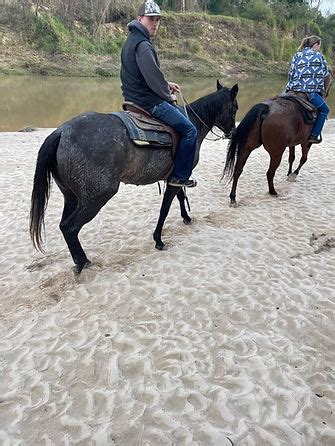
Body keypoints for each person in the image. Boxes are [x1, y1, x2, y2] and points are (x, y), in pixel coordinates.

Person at [120, 0, 197, 187]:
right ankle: (179, 176)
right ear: (140, 18)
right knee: (190, 130)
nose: (155, 23)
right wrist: (167, 95)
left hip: (133, 99)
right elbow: (153, 78)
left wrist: (166, 84)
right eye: (151, 19)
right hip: (149, 102)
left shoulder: (131, 41)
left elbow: (144, 74)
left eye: (157, 20)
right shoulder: (144, 45)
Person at [285, 35, 330, 144]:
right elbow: (326, 76)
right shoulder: (319, 56)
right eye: (319, 46)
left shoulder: (296, 55)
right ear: (316, 45)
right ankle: (314, 136)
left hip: (291, 90)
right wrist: (322, 91)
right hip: (310, 92)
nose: (319, 48)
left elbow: (290, 74)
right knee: (325, 110)